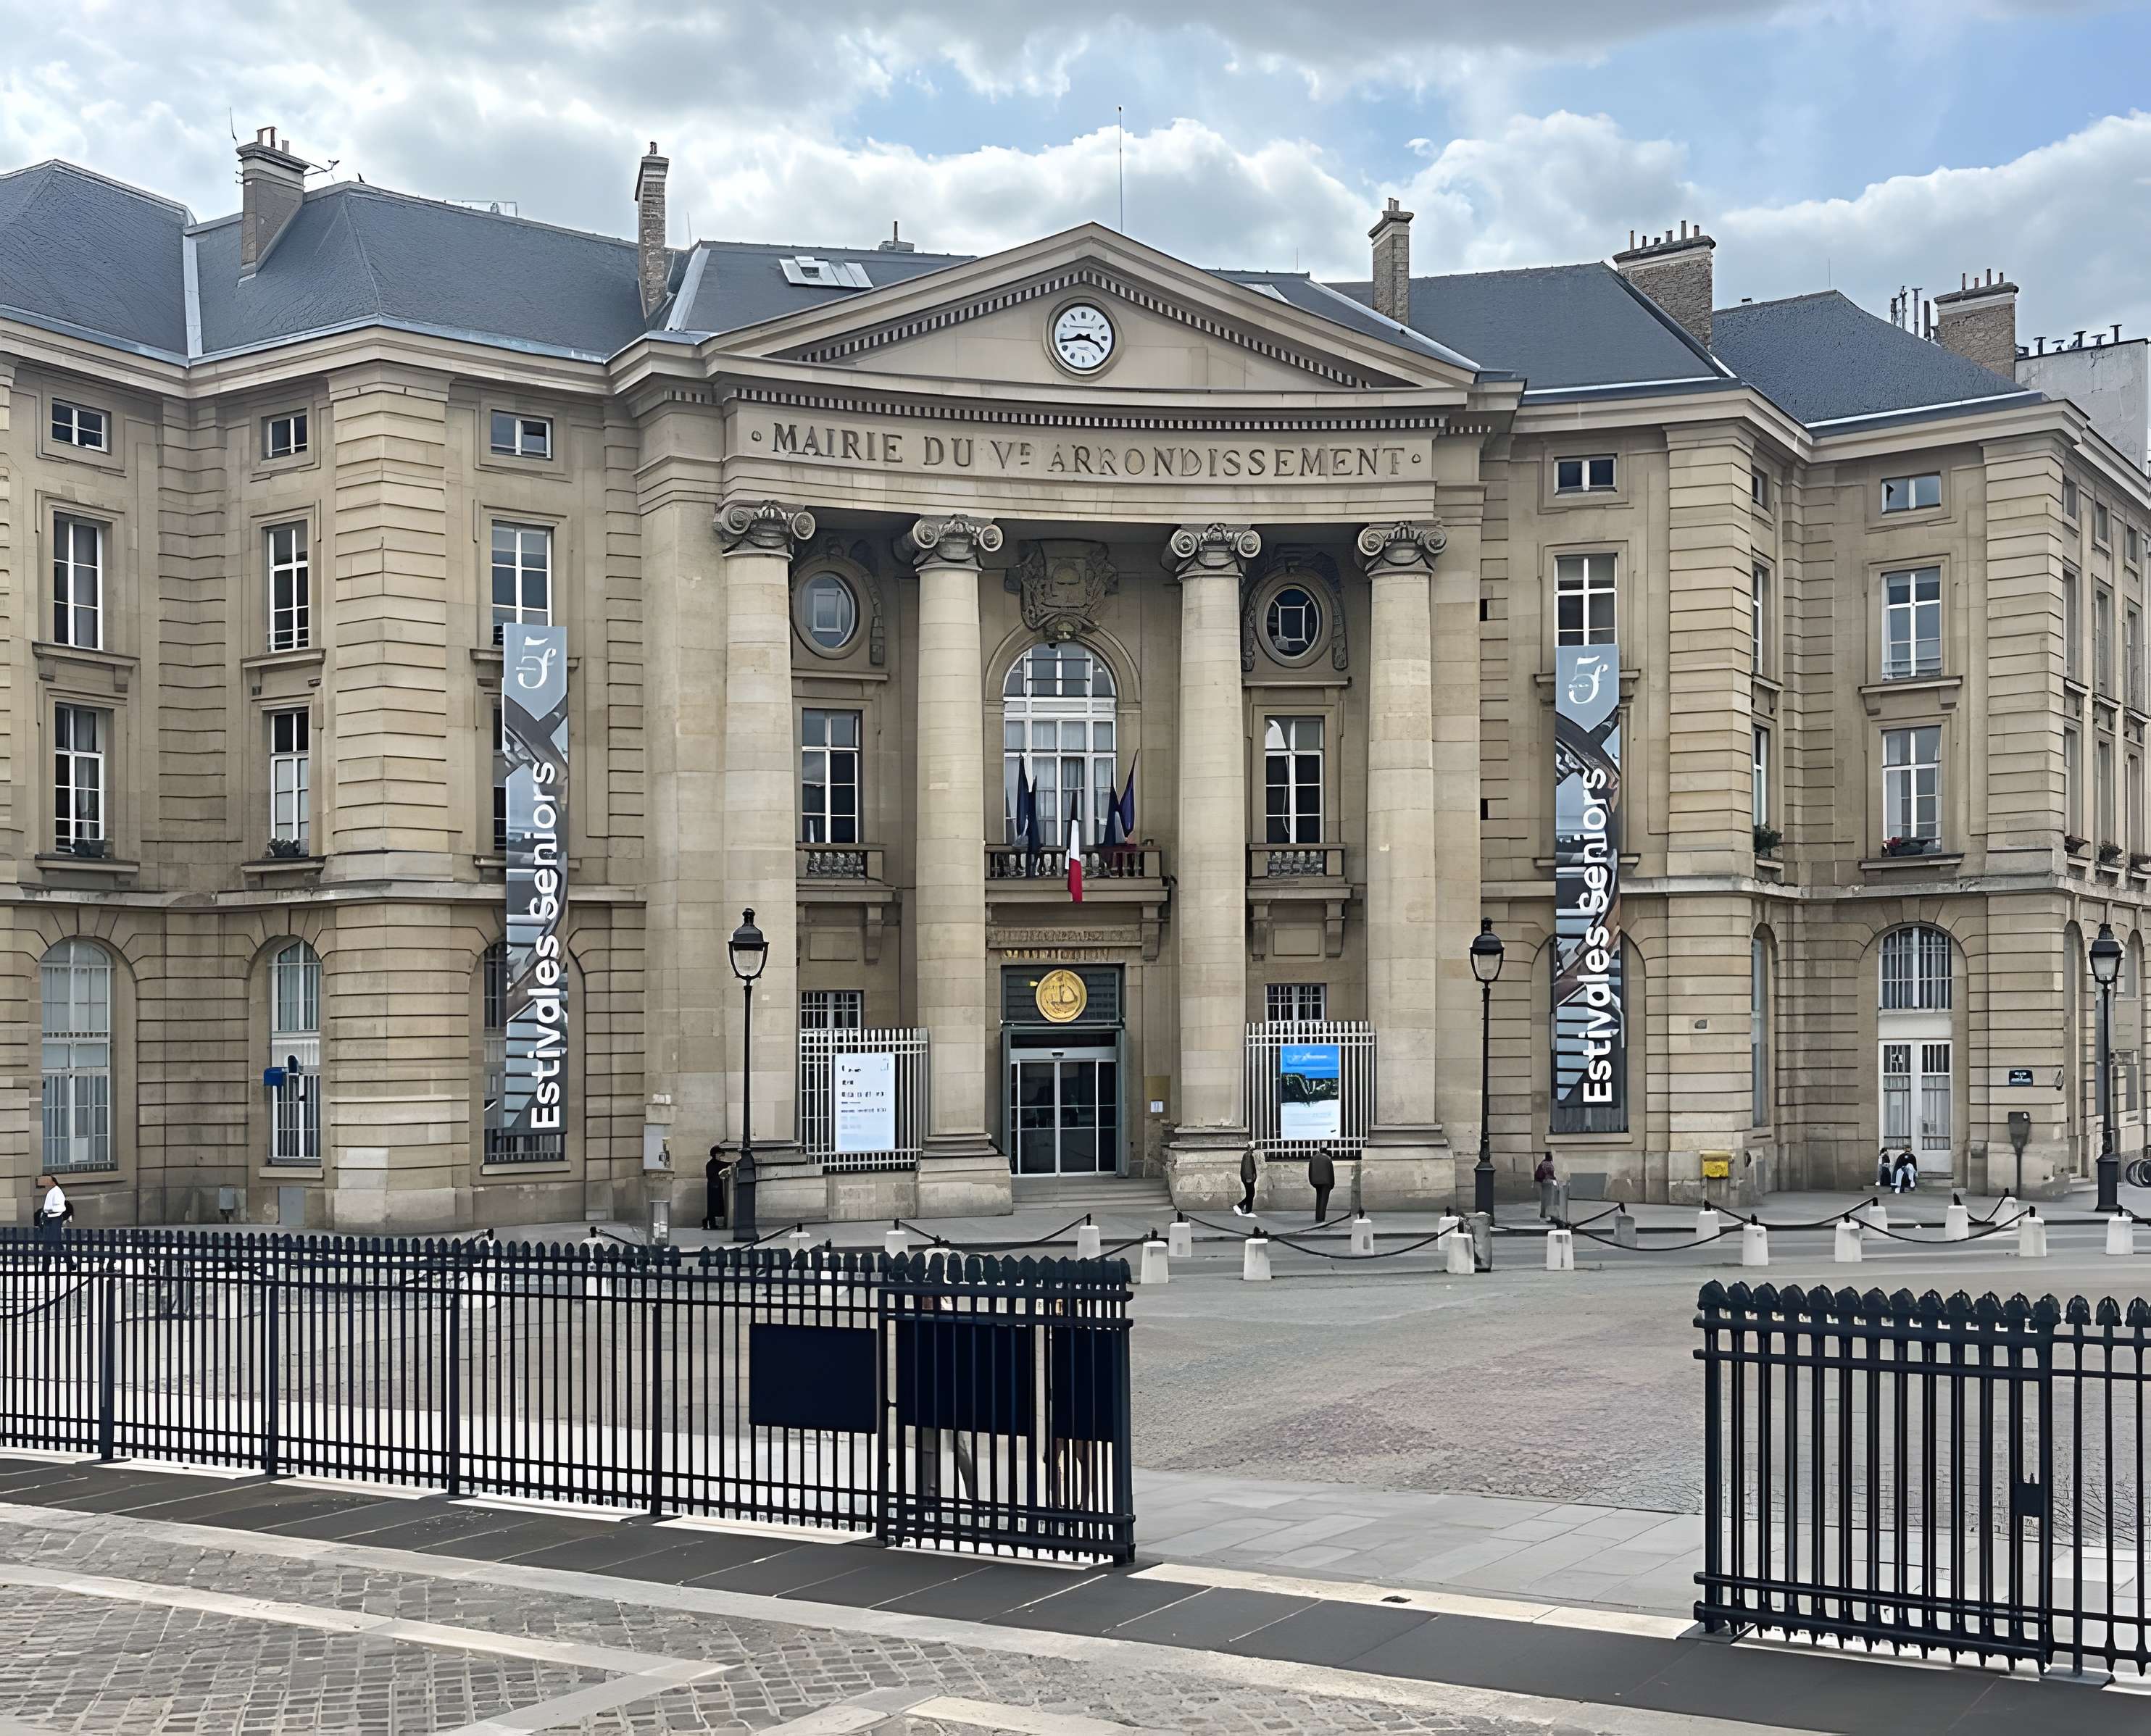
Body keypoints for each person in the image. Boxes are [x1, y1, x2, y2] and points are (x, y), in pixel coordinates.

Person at [35, 1174, 72, 1247]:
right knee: (48, 1236)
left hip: (54, 1216)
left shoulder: (57, 1192)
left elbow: (59, 1206)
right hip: (49, 1216)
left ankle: (55, 1248)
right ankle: (49, 1248)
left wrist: (50, 1211)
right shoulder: (52, 1192)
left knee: (54, 1235)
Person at [702, 1144, 729, 1232]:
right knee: (713, 1206)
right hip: (714, 1186)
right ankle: (710, 1223)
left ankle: (709, 1223)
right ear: (716, 1154)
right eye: (719, 1155)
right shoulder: (712, 1164)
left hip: (714, 1186)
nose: (720, 1157)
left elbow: (725, 1164)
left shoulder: (712, 1164)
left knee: (713, 1207)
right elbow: (711, 1175)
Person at [1307, 1145, 1335, 1225]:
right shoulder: (1328, 1160)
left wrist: (1312, 1182)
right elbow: (1331, 1173)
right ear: (1326, 1153)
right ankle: (1321, 1219)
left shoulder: (1313, 1158)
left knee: (1319, 1200)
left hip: (1316, 1182)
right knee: (1323, 1201)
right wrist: (1332, 1185)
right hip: (1326, 1183)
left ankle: (1318, 1217)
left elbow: (1310, 1171)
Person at [1234, 1146, 1257, 1219]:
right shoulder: (1248, 1155)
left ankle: (1247, 1210)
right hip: (1248, 1178)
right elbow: (1248, 1168)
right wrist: (1249, 1178)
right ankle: (1241, 1207)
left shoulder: (1248, 1155)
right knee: (1250, 1194)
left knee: (1251, 1194)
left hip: (1249, 1178)